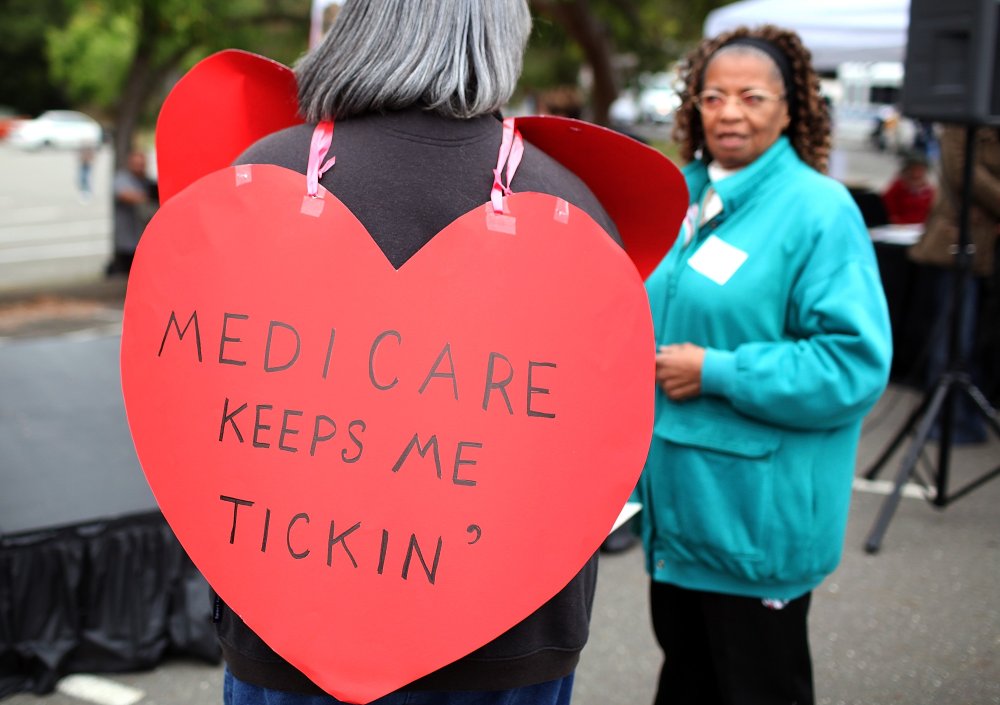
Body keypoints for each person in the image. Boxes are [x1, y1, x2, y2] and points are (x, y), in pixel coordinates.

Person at [216, 2, 622, 704]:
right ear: (502, 38)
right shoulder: (570, 205)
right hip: (509, 631)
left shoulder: (264, 177)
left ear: (363, 25)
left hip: (290, 616)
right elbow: (599, 434)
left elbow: (202, 408)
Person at [637, 25, 893, 705]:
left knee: (758, 688)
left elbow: (852, 363)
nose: (729, 112)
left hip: (756, 524)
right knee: (687, 683)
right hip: (678, 515)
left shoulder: (819, 211)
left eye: (752, 96)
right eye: (713, 96)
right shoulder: (673, 194)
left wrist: (718, 370)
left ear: (791, 107)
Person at [908, 125, 1000, 443]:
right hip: (959, 244)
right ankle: (947, 419)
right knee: (953, 339)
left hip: (989, 248)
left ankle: (968, 414)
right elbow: (963, 173)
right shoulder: (964, 123)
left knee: (978, 339)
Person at [107, 149, 157, 276]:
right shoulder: (122, 179)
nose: (140, 167)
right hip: (127, 241)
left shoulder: (147, 182)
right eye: (137, 164)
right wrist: (147, 196)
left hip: (142, 240)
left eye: (142, 164)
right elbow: (124, 195)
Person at [881, 150, 935, 225]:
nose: (916, 174)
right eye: (913, 170)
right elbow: (887, 210)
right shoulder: (896, 188)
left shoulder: (930, 191)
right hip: (900, 228)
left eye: (920, 170)